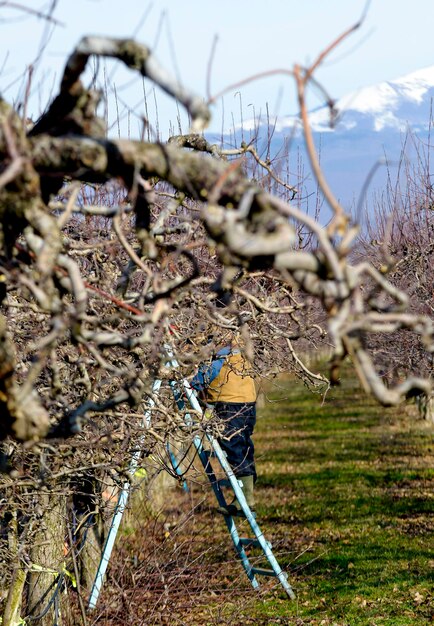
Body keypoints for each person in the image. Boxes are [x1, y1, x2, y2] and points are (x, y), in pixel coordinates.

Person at [190, 334, 257, 516]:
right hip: (247, 401)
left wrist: (192, 384)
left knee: (233, 447)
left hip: (230, 404)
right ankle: (244, 496)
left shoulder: (221, 347)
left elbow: (208, 374)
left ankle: (246, 498)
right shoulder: (239, 341)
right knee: (243, 446)